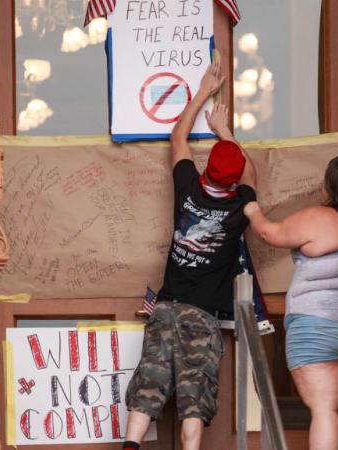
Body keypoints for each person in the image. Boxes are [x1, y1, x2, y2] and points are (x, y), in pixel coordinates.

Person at [123, 60, 257, 450]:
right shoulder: (240, 206)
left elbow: (177, 137)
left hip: (165, 308)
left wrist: (202, 93)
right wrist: (224, 132)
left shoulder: (188, 188)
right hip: (201, 316)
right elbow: (251, 174)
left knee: (148, 389)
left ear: (206, 170)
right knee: (194, 400)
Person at [244, 154, 338, 450]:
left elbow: (268, 233)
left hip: (321, 325)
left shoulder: (318, 218)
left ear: (327, 189)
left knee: (326, 411)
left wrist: (252, 210)